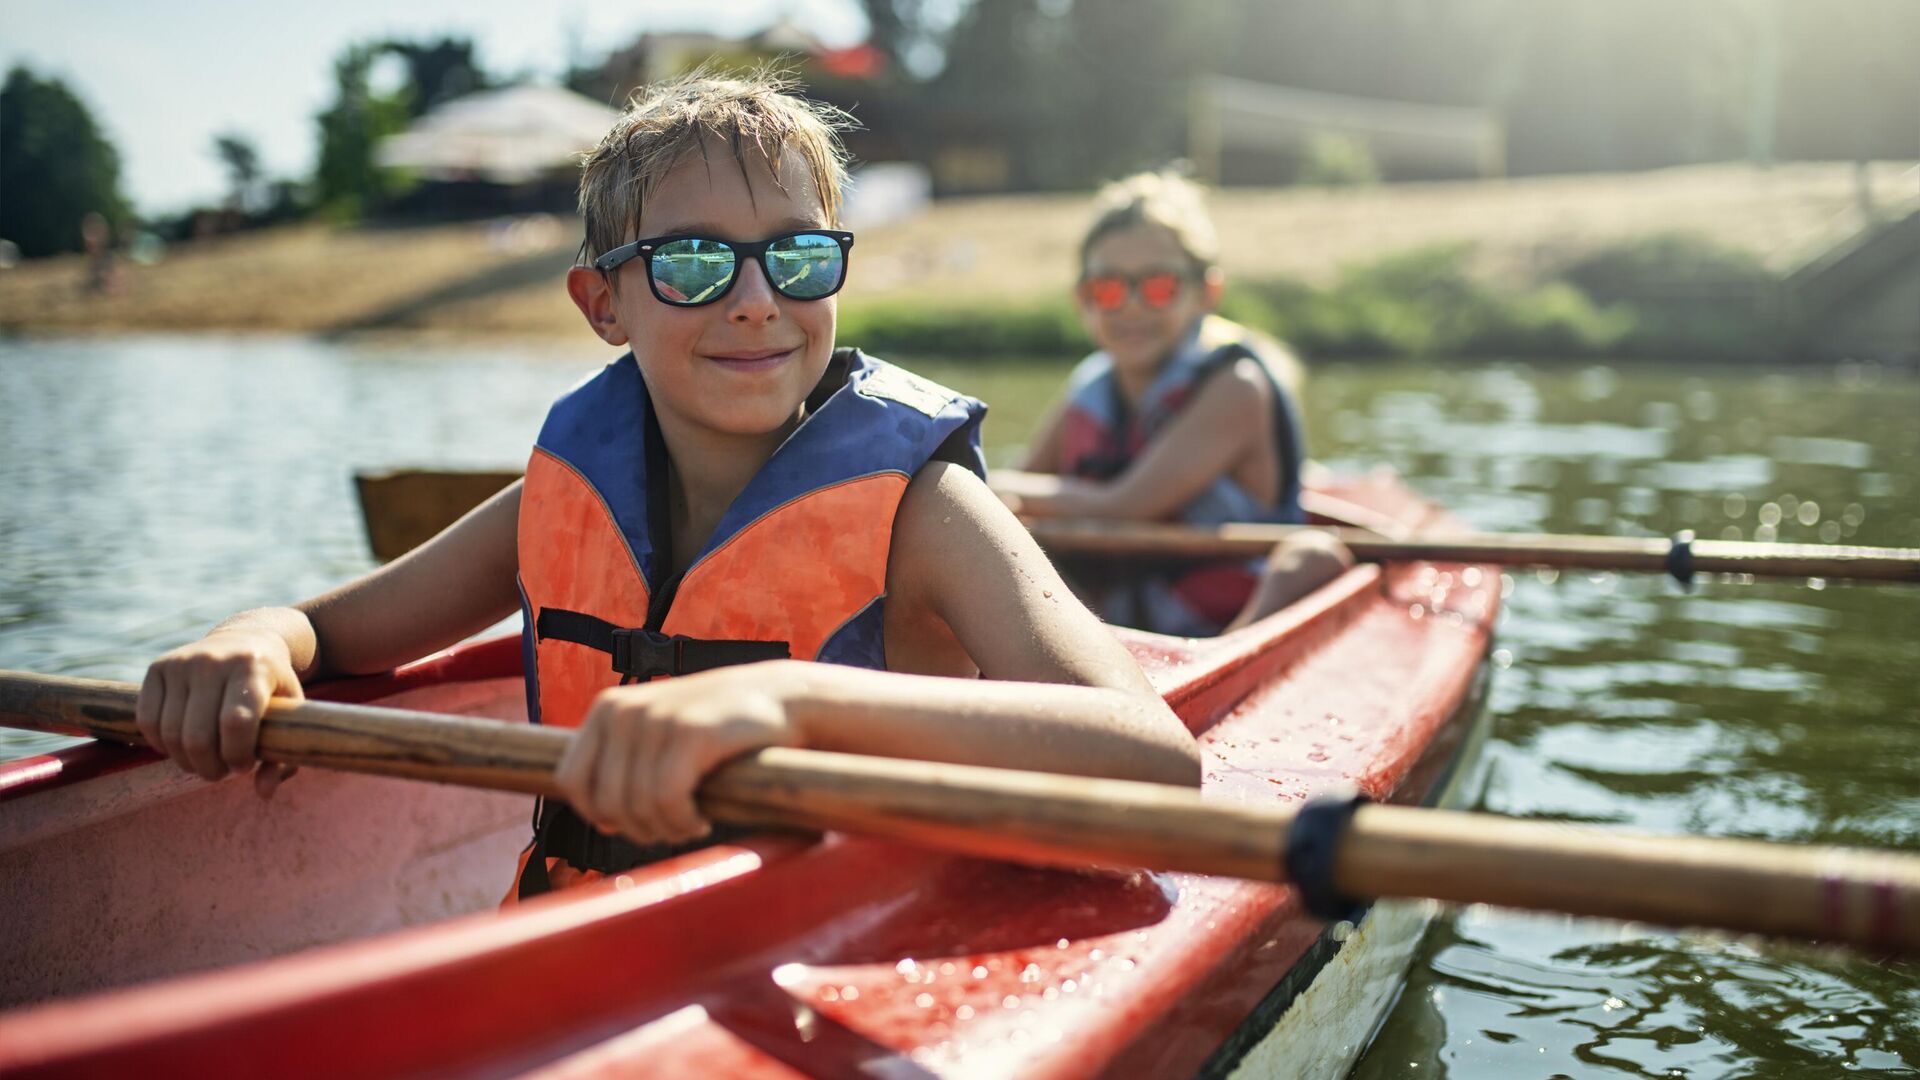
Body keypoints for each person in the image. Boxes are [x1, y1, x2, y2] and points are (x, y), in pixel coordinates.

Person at [134, 70, 1200, 901]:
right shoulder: (562, 494)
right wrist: (257, 637)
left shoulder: (924, 512)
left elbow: (1154, 762)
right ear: (603, 304)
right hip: (591, 947)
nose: (754, 302)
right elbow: (333, 631)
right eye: (693, 263)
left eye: (797, 259)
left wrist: (787, 697)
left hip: (840, 949)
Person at [992, 170, 1351, 637]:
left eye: (1158, 286)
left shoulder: (1235, 387)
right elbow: (1027, 482)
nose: (1132, 307)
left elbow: (1125, 505)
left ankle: (1226, 666)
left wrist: (993, 486)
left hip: (1226, 617)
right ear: (1082, 298)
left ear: (1207, 293)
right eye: (1108, 288)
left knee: (1311, 559)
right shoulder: (1091, 385)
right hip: (1117, 614)